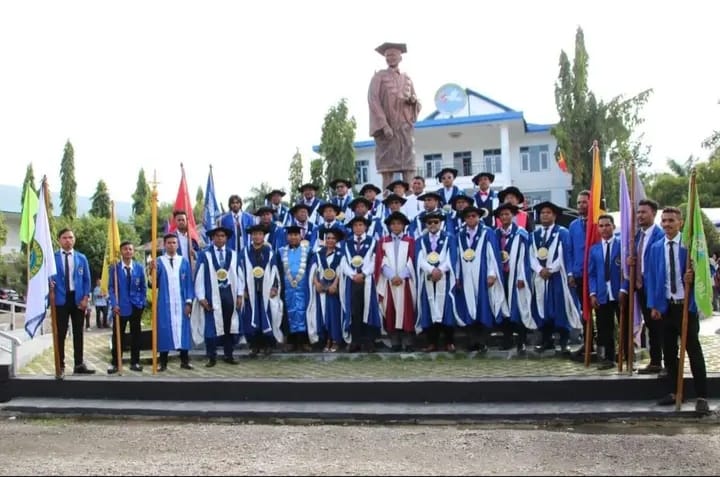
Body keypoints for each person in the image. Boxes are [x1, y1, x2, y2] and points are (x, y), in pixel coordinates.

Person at [647, 207, 710, 415]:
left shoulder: (690, 246)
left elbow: (704, 270)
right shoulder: (656, 247)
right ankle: (675, 391)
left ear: (680, 222)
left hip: (686, 307)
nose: (667, 224)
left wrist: (693, 278)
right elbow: (654, 278)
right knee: (669, 353)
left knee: (693, 350)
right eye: (664, 221)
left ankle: (701, 395)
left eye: (671, 220)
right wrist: (654, 305)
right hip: (666, 307)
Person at [620, 199, 665, 375]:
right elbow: (631, 262)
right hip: (640, 288)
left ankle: (667, 362)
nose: (640, 216)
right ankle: (655, 361)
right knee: (650, 326)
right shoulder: (636, 236)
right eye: (638, 212)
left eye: (643, 212)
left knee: (660, 327)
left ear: (654, 213)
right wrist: (629, 262)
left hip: (656, 288)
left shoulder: (660, 236)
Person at [530, 202, 582, 353]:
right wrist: (540, 269)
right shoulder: (535, 235)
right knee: (543, 307)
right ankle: (547, 341)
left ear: (554, 215)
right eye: (542, 213)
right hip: (541, 277)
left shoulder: (563, 233)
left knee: (560, 307)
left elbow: (565, 255)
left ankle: (564, 342)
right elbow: (531, 255)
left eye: (548, 213)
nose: (545, 215)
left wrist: (551, 269)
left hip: (558, 277)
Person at [368, 42, 421, 189]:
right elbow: (373, 101)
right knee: (387, 168)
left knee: (409, 167)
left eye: (393, 55)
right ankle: (387, 200)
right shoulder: (379, 77)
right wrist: (384, 125)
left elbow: (416, 100)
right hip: (388, 128)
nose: (390, 58)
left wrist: (413, 101)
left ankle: (410, 200)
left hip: (405, 127)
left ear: (400, 58)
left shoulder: (407, 78)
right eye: (387, 55)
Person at [454, 206, 506, 352]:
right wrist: (457, 276)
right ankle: (472, 341)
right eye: (468, 216)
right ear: (464, 219)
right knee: (468, 306)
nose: (471, 219)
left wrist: (492, 274)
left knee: (483, 306)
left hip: (482, 274)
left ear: (479, 217)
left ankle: (483, 341)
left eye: (474, 216)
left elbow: (492, 254)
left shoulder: (487, 232)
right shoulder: (460, 234)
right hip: (466, 276)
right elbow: (457, 257)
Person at [192, 226, 244, 367]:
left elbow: (239, 276)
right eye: (217, 236)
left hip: (229, 295)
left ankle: (229, 354)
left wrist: (239, 295)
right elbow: (199, 276)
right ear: (212, 238)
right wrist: (201, 297)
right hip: (212, 296)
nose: (220, 238)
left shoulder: (233, 255)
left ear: (226, 238)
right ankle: (211, 357)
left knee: (229, 326)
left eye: (222, 236)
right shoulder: (205, 255)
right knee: (211, 327)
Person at [51, 228, 95, 375]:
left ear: (74, 239)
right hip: (60, 300)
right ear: (59, 240)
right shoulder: (53, 257)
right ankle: (60, 364)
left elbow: (87, 280)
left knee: (78, 333)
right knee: (61, 333)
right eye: (64, 238)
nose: (68, 240)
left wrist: (85, 298)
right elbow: (47, 276)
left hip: (77, 299)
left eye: (70, 237)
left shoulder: (81, 258)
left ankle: (79, 364)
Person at [416, 211, 461, 352]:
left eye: (436, 222)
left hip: (445, 278)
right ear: (426, 224)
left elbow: (451, 257)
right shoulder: (421, 240)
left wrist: (440, 270)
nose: (433, 225)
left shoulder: (449, 238)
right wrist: (431, 270)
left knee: (446, 309)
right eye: (429, 222)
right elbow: (419, 259)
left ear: (440, 223)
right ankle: (432, 343)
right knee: (429, 308)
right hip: (428, 278)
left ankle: (449, 342)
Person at [495, 203, 535, 352]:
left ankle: (522, 340)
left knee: (519, 306)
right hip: (502, 276)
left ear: (513, 216)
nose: (505, 217)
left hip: (516, 276)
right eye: (502, 215)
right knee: (503, 305)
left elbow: (526, 257)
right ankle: (507, 339)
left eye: (507, 214)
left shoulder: (522, 233)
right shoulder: (495, 234)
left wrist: (521, 277)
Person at [152, 233, 194, 371]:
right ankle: (163, 363)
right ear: (164, 244)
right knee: (164, 330)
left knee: (183, 331)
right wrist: (152, 271)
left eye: (174, 243)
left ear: (177, 244)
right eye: (169, 243)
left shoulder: (184, 261)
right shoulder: (158, 261)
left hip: (181, 302)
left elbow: (188, 283)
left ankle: (185, 361)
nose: (172, 245)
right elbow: (152, 284)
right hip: (165, 303)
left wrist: (188, 302)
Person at [376, 211, 416, 352]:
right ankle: (395, 342)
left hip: (405, 282)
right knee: (391, 310)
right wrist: (392, 276)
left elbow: (412, 259)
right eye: (393, 223)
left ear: (404, 225)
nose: (396, 226)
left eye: (399, 223)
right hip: (389, 282)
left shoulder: (410, 241)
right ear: (389, 226)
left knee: (407, 311)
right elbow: (381, 261)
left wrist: (402, 275)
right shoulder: (383, 241)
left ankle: (408, 342)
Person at [240, 224, 283, 355]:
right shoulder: (245, 252)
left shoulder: (269, 252)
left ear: (263, 236)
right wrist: (243, 290)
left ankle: (268, 345)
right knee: (251, 316)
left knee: (267, 316)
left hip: (266, 290)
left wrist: (275, 287)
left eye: (259, 234)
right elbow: (240, 272)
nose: (257, 236)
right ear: (251, 236)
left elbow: (275, 270)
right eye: (254, 234)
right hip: (251, 290)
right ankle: (254, 345)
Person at [341, 216, 382, 352]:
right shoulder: (346, 243)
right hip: (352, 282)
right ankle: (355, 341)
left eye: (360, 225)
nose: (358, 228)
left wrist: (363, 274)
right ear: (352, 228)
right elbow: (344, 262)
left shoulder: (372, 242)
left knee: (368, 309)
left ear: (365, 227)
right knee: (354, 310)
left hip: (367, 280)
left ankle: (368, 341)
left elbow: (374, 261)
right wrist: (353, 275)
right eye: (355, 225)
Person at [588, 215, 622, 370]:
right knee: (604, 326)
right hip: (602, 293)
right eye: (601, 226)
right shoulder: (594, 249)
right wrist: (593, 293)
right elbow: (592, 273)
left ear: (613, 227)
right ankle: (608, 357)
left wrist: (624, 289)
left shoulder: (622, 245)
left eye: (607, 225)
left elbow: (627, 271)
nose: (604, 228)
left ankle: (625, 355)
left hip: (619, 292)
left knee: (624, 324)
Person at [108, 241, 147, 373]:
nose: (128, 251)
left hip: (136, 306)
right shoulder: (115, 268)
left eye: (130, 249)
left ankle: (135, 362)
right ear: (121, 252)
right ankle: (115, 362)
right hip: (120, 307)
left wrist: (141, 302)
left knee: (136, 335)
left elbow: (143, 287)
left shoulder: (139, 268)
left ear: (133, 252)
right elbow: (111, 288)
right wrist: (114, 304)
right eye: (125, 249)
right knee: (118, 336)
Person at [307, 228, 346, 352]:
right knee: (323, 315)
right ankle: (326, 339)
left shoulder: (341, 254)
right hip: (321, 289)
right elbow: (312, 270)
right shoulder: (318, 254)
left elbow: (341, 270)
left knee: (334, 315)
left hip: (334, 291)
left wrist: (335, 285)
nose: (330, 240)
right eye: (328, 238)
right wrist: (316, 283)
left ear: (337, 240)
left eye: (333, 238)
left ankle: (335, 340)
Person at [276, 226, 314, 351]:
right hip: (287, 289)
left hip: (304, 289)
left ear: (301, 236)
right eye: (290, 235)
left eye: (296, 235)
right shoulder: (281, 252)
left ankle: (304, 341)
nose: (293, 237)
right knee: (288, 313)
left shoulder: (308, 251)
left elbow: (313, 269)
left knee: (304, 312)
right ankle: (291, 341)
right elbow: (276, 271)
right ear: (287, 237)